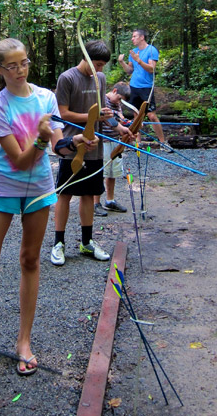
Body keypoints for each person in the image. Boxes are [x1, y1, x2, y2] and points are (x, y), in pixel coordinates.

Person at [0, 38, 98, 376]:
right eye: (12, 65)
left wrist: (77, 141)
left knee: (29, 260)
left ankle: (24, 341)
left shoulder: (46, 98)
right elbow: (22, 161)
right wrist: (41, 138)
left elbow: (59, 146)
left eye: (24, 62)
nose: (20, 70)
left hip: (39, 190)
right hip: (5, 188)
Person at [50, 40, 117, 267]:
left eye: (102, 66)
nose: (100, 69)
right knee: (65, 194)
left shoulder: (100, 79)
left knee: (89, 194)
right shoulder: (67, 78)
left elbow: (101, 107)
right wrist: (93, 118)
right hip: (72, 145)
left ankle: (87, 242)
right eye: (97, 64)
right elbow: (62, 113)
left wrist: (109, 118)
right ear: (86, 58)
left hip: (94, 145)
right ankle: (58, 244)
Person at [118, 29, 170, 150]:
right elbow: (130, 70)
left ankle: (163, 143)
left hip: (146, 87)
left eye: (134, 36)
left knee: (151, 115)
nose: (132, 38)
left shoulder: (151, 50)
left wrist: (139, 60)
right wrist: (122, 62)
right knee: (136, 115)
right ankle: (137, 143)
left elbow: (151, 69)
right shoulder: (134, 52)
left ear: (142, 37)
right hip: (134, 86)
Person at [93, 82, 133, 216]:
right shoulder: (103, 100)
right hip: (103, 141)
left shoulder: (117, 104)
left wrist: (128, 124)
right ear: (114, 91)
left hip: (115, 140)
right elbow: (106, 118)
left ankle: (110, 201)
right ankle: (95, 203)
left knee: (112, 173)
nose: (120, 101)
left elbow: (119, 119)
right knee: (101, 172)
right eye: (120, 98)